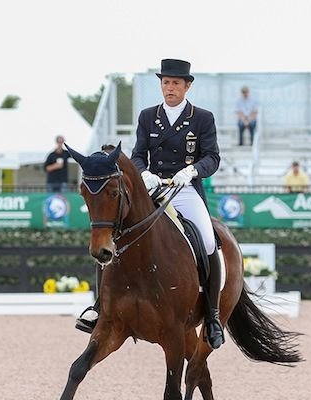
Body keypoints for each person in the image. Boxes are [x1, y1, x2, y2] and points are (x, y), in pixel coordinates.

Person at [76, 58, 224, 350]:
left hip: (185, 189)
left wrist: (191, 171)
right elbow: (138, 154)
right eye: (166, 83)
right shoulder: (148, 116)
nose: (170, 88)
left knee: (208, 241)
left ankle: (212, 315)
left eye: (176, 83)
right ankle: (98, 307)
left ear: (187, 86)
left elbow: (212, 157)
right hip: (153, 188)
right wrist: (144, 173)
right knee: (115, 235)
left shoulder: (202, 117)